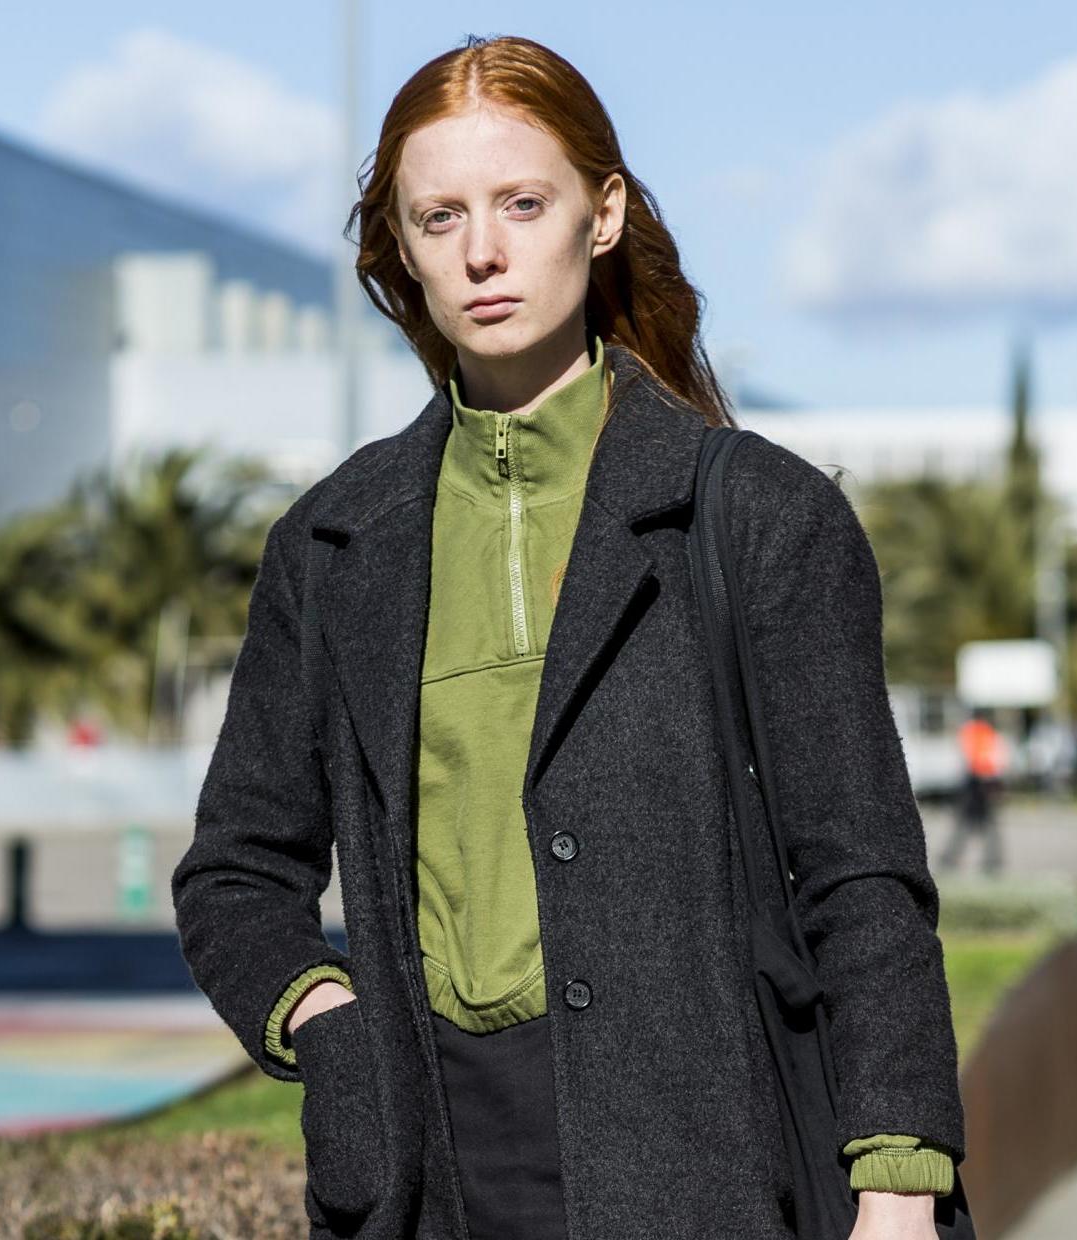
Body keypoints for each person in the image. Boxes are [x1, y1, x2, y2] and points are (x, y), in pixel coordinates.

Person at [172, 34, 967, 1240]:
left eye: (521, 203)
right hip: (427, 1173)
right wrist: (325, 1023)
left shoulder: (757, 515)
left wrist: (900, 1180)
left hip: (712, 1170)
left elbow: (862, 878)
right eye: (437, 218)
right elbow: (237, 869)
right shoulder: (331, 545)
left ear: (600, 217)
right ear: (402, 250)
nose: (481, 250)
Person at [938, 708, 1007, 874]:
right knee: (986, 824)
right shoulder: (986, 732)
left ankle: (951, 859)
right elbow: (994, 758)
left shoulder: (970, 731)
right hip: (984, 782)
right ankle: (992, 861)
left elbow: (969, 755)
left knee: (964, 823)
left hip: (973, 782)